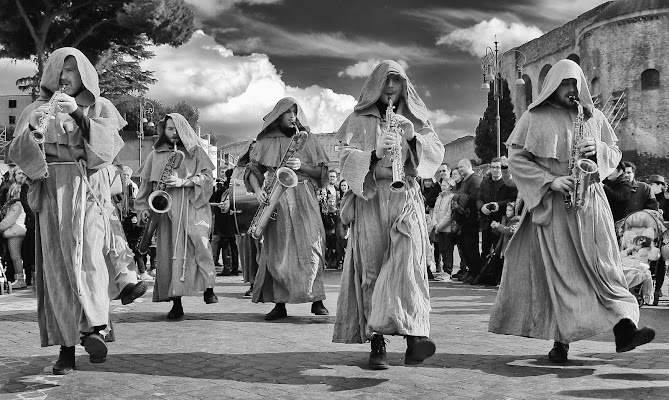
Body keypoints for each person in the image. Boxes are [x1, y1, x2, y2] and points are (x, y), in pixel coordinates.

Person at [488, 59, 655, 364]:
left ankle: (624, 329)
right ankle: (560, 341)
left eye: (575, 83)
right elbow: (516, 159)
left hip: (592, 206)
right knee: (563, 277)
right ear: (552, 84)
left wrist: (599, 150)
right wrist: (550, 181)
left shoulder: (595, 117)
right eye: (565, 83)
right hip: (555, 210)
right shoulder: (533, 116)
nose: (572, 90)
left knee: (606, 270)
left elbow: (614, 154)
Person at [8, 47, 144, 374]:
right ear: (53, 73)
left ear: (84, 73)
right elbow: (16, 153)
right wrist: (32, 132)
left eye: (73, 69)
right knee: (58, 269)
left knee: (88, 259)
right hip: (52, 191)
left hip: (88, 187)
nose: (67, 76)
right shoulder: (35, 109)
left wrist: (80, 117)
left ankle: (94, 327)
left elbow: (109, 148)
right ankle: (68, 346)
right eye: (62, 69)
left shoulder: (100, 107)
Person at [332, 60, 444, 369]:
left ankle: (415, 337)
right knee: (372, 269)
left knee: (409, 263)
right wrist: (374, 154)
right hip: (370, 197)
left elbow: (435, 152)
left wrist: (412, 138)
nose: (391, 86)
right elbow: (342, 157)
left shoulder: (416, 116)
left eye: (397, 80)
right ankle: (377, 342)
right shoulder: (356, 118)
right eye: (386, 80)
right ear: (375, 84)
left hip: (405, 195)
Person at [244, 97, 329, 320]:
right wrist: (259, 190)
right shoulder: (265, 142)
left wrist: (304, 166)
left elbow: (322, 172)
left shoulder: (308, 139)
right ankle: (280, 304)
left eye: (295, 112)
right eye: (288, 112)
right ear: (278, 115)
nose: (293, 116)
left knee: (312, 245)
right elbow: (252, 170)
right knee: (277, 251)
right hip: (276, 199)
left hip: (304, 196)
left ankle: (317, 299)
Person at [135, 113, 219, 319]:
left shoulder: (197, 152)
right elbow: (145, 185)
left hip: (192, 207)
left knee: (200, 244)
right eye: (169, 129)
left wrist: (185, 182)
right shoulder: (155, 155)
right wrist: (143, 207)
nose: (172, 133)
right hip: (166, 212)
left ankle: (208, 287)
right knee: (168, 255)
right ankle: (176, 303)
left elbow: (209, 179)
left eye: (176, 129)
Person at [476, 158, 517, 267]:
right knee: (485, 249)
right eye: (493, 167)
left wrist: (499, 204)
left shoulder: (508, 182)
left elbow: (513, 199)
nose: (495, 170)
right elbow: (479, 197)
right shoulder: (485, 181)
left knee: (499, 250)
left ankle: (496, 276)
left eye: (498, 167)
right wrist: (482, 207)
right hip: (486, 220)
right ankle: (484, 276)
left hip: (501, 220)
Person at [455, 159, 482, 284]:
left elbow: (474, 198)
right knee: (465, 247)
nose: (460, 169)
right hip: (464, 220)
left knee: (472, 247)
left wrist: (460, 201)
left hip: (471, 219)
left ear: (469, 166)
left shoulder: (474, 179)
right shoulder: (465, 181)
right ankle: (470, 272)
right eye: (459, 167)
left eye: (462, 167)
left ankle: (475, 273)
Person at [0, 184, 27, 288]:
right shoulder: (17, 205)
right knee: (15, 256)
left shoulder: (17, 205)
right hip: (14, 231)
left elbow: (10, 220)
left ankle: (20, 279)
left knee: (15, 256)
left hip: (15, 232)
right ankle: (19, 278)